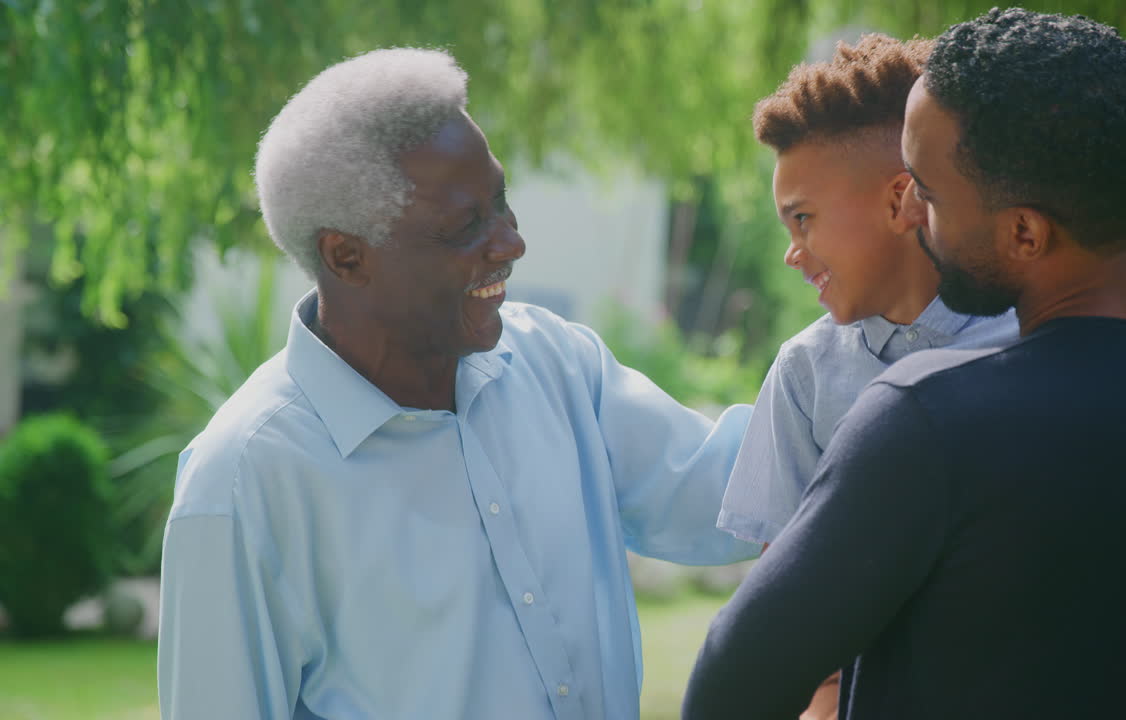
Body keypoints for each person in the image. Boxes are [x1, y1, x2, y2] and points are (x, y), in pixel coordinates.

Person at [686, 9, 1126, 719]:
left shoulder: (924, 418)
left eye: (928, 194)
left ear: (1024, 231)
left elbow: (732, 683)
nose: (911, 215)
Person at [157, 48, 757, 720]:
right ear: (346, 256)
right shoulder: (242, 482)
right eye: (465, 226)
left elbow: (737, 494)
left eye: (501, 203)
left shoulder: (555, 364)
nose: (511, 244)